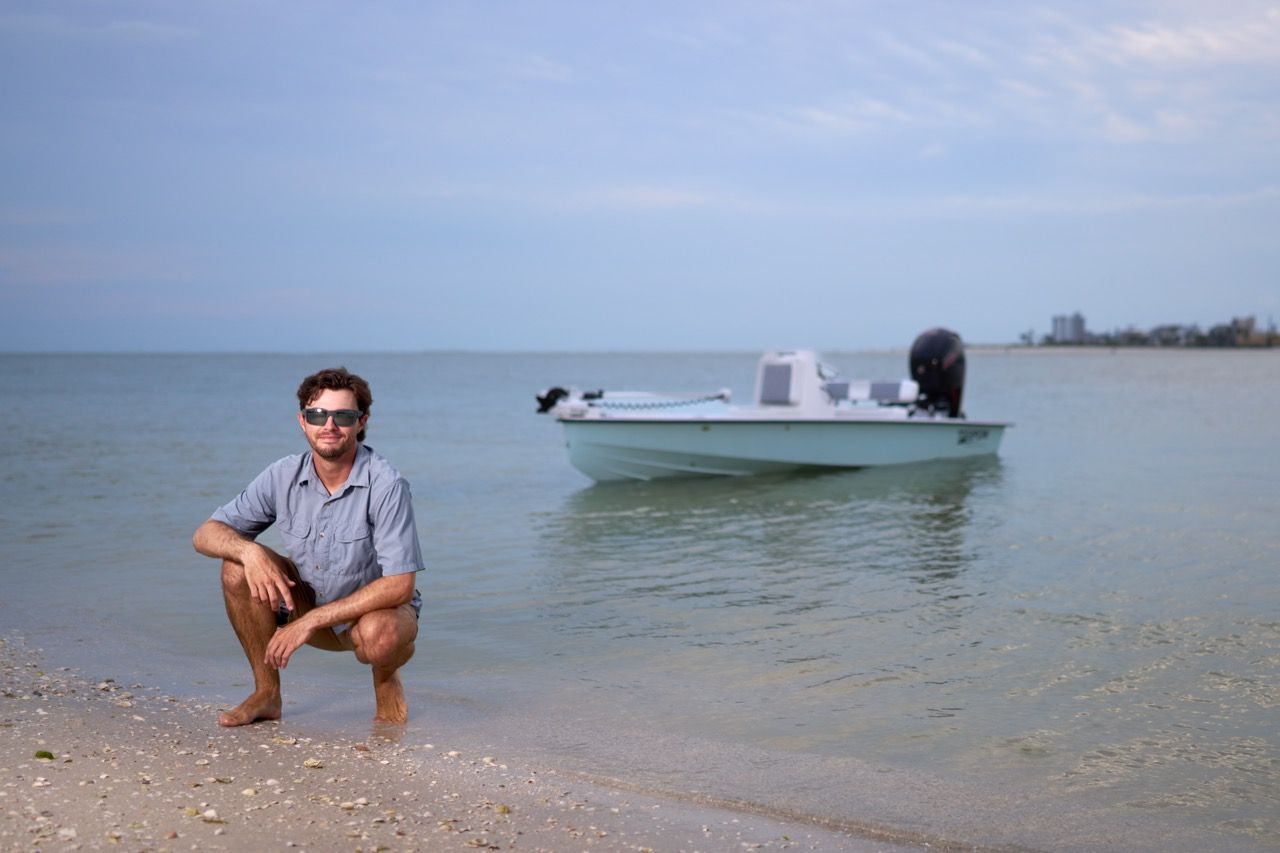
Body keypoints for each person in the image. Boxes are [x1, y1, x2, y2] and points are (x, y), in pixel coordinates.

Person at [193, 367, 424, 727]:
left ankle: (386, 677)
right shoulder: (281, 475)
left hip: (369, 618)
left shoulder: (386, 485)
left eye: (342, 416)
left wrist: (311, 621)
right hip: (304, 603)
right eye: (317, 415)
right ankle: (266, 694)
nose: (329, 425)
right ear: (302, 421)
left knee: (381, 638)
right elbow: (204, 534)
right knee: (235, 567)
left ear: (361, 422)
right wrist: (250, 552)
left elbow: (400, 585)